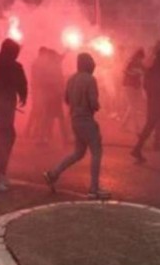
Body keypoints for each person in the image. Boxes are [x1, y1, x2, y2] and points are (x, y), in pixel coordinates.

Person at [43, 53, 111, 199]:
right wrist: (96, 106)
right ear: (88, 64)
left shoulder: (71, 79)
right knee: (96, 151)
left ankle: (53, 174)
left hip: (74, 119)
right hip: (86, 119)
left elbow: (66, 99)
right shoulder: (90, 79)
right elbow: (93, 102)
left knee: (78, 153)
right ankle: (94, 189)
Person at [0, 38, 28, 193]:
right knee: (4, 138)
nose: (17, 55)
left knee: (9, 136)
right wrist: (22, 96)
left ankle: (1, 173)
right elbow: (22, 84)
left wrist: (21, 96)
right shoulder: (12, 66)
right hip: (2, 106)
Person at [121, 48, 145, 133]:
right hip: (128, 85)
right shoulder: (130, 61)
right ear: (137, 56)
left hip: (136, 86)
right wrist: (133, 73)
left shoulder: (141, 64)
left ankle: (124, 123)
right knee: (133, 106)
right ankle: (136, 127)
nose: (140, 59)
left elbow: (145, 72)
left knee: (132, 106)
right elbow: (124, 70)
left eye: (141, 58)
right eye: (140, 57)